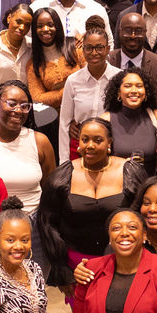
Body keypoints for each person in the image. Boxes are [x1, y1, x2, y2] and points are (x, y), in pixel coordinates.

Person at [39, 117, 147, 288]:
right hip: (78, 267)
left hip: (124, 260)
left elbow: (143, 216)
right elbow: (47, 224)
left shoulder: (131, 172)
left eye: (98, 140)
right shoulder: (61, 177)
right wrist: (62, 272)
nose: (90, 145)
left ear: (109, 143)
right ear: (79, 143)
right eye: (85, 139)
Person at [0, 80, 57, 216]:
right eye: (12, 104)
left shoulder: (40, 141)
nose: (18, 110)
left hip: (32, 220)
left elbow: (51, 191)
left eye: (24, 106)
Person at [58, 24, 118, 161]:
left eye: (99, 47)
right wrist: (64, 161)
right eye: (89, 48)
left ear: (108, 49)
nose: (94, 52)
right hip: (80, 146)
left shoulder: (119, 78)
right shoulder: (73, 81)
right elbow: (64, 123)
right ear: (83, 50)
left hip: (111, 146)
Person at [110, 11, 157, 109]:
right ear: (120, 32)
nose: (133, 36)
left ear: (145, 32)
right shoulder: (107, 61)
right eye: (128, 30)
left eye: (138, 31)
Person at [27, 6, 83, 110]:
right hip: (57, 117)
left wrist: (53, 94)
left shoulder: (74, 47)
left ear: (57, 25)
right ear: (34, 30)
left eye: (50, 25)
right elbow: (37, 98)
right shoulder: (33, 64)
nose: (45, 29)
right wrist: (68, 91)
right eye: (40, 26)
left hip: (85, 108)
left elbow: (88, 78)